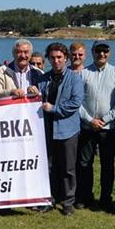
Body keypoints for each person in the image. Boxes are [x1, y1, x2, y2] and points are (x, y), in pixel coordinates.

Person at [76, 40, 115, 210]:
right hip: (87, 127)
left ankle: (106, 198)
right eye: (98, 51)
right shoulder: (83, 73)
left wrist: (104, 120)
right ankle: (85, 197)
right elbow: (77, 101)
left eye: (105, 51)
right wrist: (90, 120)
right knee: (84, 164)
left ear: (109, 53)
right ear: (92, 52)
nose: (102, 54)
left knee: (107, 165)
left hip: (108, 128)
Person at [37, 43, 85, 215]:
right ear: (48, 59)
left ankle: (68, 202)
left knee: (68, 167)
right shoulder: (44, 78)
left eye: (59, 57)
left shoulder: (75, 78)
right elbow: (38, 99)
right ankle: (49, 198)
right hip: (47, 129)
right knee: (49, 166)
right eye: (52, 58)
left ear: (66, 58)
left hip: (67, 130)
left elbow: (75, 103)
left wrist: (54, 108)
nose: (56, 61)